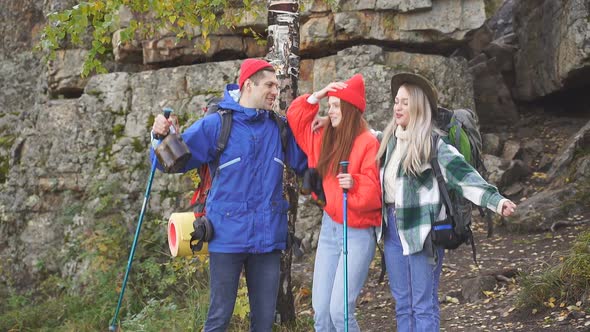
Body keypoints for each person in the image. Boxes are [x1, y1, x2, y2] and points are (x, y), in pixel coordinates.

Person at [151, 58, 307, 332]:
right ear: (248, 85)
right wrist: (158, 137)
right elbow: (171, 162)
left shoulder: (279, 129)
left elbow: (308, 163)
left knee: (263, 323)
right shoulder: (216, 125)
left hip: (267, 240)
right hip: (227, 238)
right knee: (219, 318)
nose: (275, 91)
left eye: (277, 86)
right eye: (269, 85)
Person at [377, 72, 517, 331]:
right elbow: (357, 137)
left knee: (422, 304)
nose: (398, 107)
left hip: (424, 234)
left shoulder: (434, 145)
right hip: (392, 233)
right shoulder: (388, 141)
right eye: (396, 101)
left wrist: (497, 202)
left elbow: (466, 178)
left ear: (418, 106)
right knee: (402, 304)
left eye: (405, 102)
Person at [286, 74, 382, 332]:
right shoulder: (323, 136)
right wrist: (318, 94)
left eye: (336, 105)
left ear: (350, 109)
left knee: (341, 313)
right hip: (330, 228)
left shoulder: (368, 142)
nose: (330, 110)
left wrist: (356, 184)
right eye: (329, 105)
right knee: (322, 314)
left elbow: (375, 198)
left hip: (358, 231)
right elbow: (295, 117)